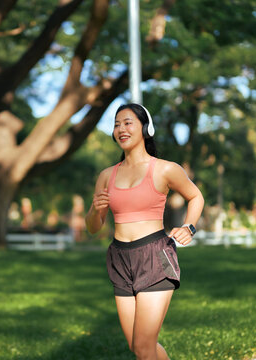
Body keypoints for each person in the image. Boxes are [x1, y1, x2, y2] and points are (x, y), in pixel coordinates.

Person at [85, 103, 204, 360]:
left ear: (145, 128)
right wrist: (95, 211)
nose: (121, 129)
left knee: (143, 347)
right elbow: (93, 228)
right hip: (119, 258)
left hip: (155, 256)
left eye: (128, 122)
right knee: (138, 347)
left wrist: (189, 226)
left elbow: (195, 196)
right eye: (116, 124)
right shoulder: (107, 176)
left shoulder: (164, 169)